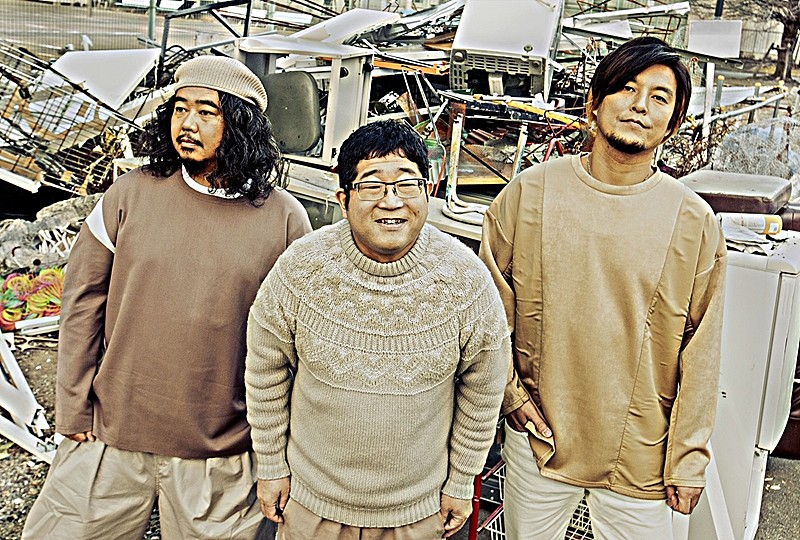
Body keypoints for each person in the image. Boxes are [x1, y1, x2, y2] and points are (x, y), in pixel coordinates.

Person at [23, 55, 312, 539]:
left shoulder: (283, 219)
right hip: (109, 434)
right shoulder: (129, 194)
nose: (187, 124)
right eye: (180, 109)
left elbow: (293, 346)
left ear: (241, 124)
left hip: (219, 452)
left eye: (206, 112)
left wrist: (274, 452)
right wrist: (73, 404)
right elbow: (82, 303)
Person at [479, 36, 727, 539]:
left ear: (674, 122)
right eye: (627, 89)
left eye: (659, 97)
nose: (640, 105)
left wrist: (688, 458)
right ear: (594, 102)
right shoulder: (530, 193)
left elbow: (702, 351)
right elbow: (483, 311)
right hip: (540, 437)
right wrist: (511, 396)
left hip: (642, 453)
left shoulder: (692, 220)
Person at [245, 119, 510, 539]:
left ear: (428, 191)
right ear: (343, 198)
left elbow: (483, 389)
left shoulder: (466, 280)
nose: (391, 201)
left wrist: (461, 481)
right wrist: (272, 466)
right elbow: (265, 370)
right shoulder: (301, 269)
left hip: (418, 513)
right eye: (371, 185)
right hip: (310, 504)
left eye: (407, 184)